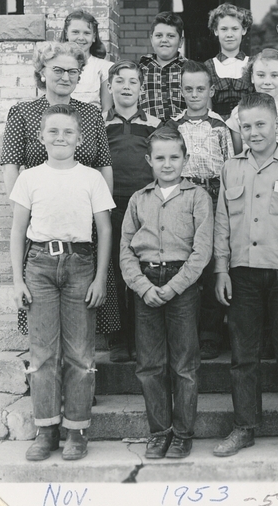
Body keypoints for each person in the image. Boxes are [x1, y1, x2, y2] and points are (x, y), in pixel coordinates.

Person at [213, 93, 278, 459]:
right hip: (242, 273)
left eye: (260, 124)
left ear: (277, 125)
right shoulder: (232, 168)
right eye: (247, 126)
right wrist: (221, 269)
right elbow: (223, 223)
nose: (254, 132)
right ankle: (244, 427)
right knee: (244, 355)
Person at [9, 104, 115, 462]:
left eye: (68, 132)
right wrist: (17, 279)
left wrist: (101, 277)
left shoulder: (91, 178)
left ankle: (77, 430)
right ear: (41, 137)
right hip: (38, 265)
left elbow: (104, 229)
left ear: (80, 138)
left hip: (80, 264)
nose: (60, 138)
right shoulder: (30, 178)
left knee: (80, 356)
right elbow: (17, 231)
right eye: (53, 131)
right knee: (42, 355)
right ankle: (46, 430)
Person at [0, 41, 118, 338]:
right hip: (41, 224)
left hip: (83, 222)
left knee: (83, 312)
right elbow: (10, 165)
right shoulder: (23, 112)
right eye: (58, 70)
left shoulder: (90, 115)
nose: (66, 77)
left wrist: (98, 211)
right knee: (44, 318)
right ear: (41, 72)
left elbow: (104, 166)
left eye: (73, 71)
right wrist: (23, 215)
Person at [120, 126, 213, 460]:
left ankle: (183, 434)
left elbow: (202, 252)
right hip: (145, 284)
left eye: (175, 157)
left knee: (184, 363)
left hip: (182, 284)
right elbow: (126, 251)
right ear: (149, 160)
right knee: (150, 363)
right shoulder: (138, 199)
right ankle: (159, 432)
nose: (168, 163)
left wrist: (173, 287)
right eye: (160, 157)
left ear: (185, 159)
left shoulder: (197, 197)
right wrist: (144, 287)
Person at [172, 60, 235, 361]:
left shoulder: (221, 127)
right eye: (189, 89)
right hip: (184, 194)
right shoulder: (174, 126)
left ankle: (210, 332)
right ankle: (187, 331)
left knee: (210, 261)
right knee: (187, 259)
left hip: (212, 193)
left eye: (201, 89)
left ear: (211, 90)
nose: (195, 94)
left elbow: (231, 168)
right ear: (181, 91)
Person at [105, 60, 164, 363]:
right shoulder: (100, 124)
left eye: (133, 82)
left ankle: (143, 337)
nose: (126, 86)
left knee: (143, 269)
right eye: (120, 81)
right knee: (115, 270)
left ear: (142, 88)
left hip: (145, 207)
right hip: (112, 205)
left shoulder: (154, 124)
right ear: (110, 86)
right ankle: (118, 338)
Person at [227, 48, 278, 155]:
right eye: (261, 75)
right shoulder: (239, 111)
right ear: (252, 77)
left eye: (274, 75)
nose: (267, 82)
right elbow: (236, 156)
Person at [204, 3, 253, 119]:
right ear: (216, 31)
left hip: (247, 124)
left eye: (235, 29)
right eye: (224, 29)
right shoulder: (208, 66)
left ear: (244, 30)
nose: (229, 34)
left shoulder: (253, 64)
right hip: (218, 124)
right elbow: (207, 107)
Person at [60, 10, 113, 113]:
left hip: (93, 125)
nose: (81, 38)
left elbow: (107, 109)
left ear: (94, 37)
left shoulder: (103, 67)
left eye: (87, 33)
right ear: (66, 34)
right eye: (75, 32)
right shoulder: (56, 66)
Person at [139, 11, 187, 123]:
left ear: (180, 42)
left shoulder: (190, 69)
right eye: (159, 35)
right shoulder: (140, 69)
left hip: (181, 132)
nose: (164, 40)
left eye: (171, 36)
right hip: (147, 131)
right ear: (151, 39)